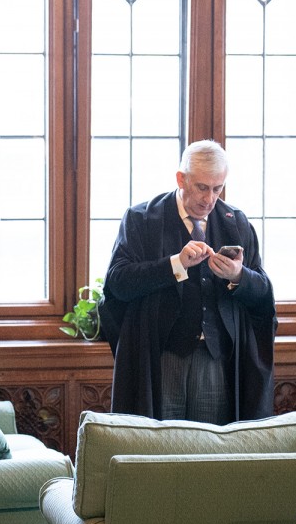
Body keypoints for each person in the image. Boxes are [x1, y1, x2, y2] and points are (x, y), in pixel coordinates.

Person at [99, 140, 278, 424]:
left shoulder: (236, 222)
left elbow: (264, 294)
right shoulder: (141, 219)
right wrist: (176, 264)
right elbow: (118, 283)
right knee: (160, 445)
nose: (209, 199)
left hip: (216, 359)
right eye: (202, 187)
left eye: (217, 189)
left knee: (210, 446)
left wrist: (238, 276)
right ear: (181, 179)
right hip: (161, 356)